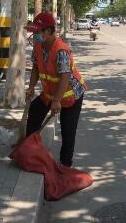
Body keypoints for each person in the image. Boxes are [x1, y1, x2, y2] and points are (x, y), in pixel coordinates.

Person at [25, 12, 87, 167]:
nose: (35, 35)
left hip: (71, 95)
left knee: (67, 130)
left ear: (50, 31)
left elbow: (65, 76)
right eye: (34, 31)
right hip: (50, 93)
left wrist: (57, 101)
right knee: (34, 111)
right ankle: (29, 151)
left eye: (39, 31)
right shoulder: (38, 46)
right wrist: (31, 87)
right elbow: (35, 67)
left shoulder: (61, 50)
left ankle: (65, 164)